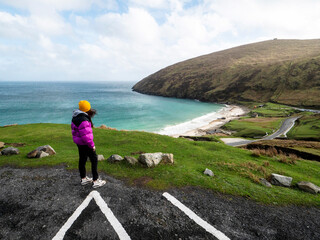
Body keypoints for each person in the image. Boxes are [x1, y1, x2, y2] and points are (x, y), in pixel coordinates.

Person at [71, 100, 106, 188]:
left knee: (82, 159)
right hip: (85, 143)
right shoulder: (84, 119)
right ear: (87, 108)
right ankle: (96, 180)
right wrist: (92, 145)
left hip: (79, 143)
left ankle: (83, 179)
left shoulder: (75, 116)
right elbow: (86, 136)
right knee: (94, 159)